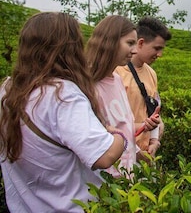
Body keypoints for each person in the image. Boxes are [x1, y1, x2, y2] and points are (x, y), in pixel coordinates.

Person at [0, 12, 125, 212]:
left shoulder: (7, 89)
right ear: (70, 48)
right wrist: (118, 134)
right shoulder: (62, 94)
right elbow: (105, 156)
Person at [85, 15, 160, 176]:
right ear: (109, 42)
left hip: (127, 176)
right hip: (103, 180)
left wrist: (143, 131)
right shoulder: (86, 85)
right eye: (130, 43)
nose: (134, 50)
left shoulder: (117, 80)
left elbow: (122, 126)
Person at [115, 16, 171, 159]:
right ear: (140, 43)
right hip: (121, 155)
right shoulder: (117, 72)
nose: (159, 54)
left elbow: (154, 113)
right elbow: (110, 123)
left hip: (145, 157)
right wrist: (137, 151)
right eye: (156, 48)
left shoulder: (151, 74)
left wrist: (154, 141)